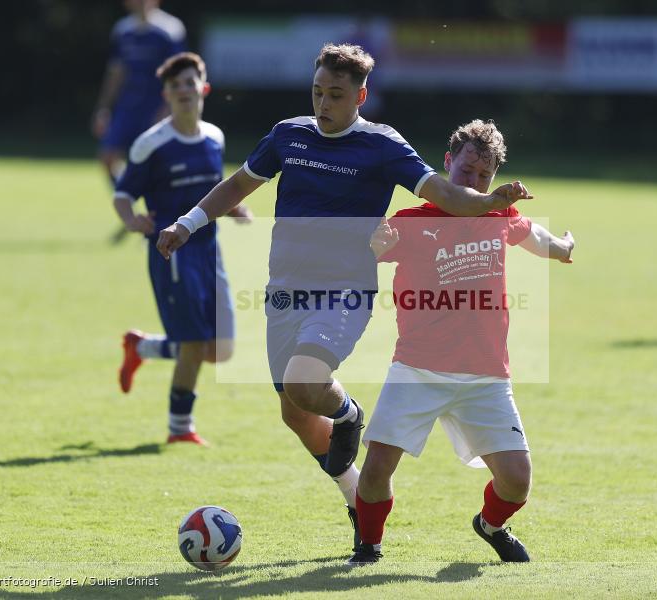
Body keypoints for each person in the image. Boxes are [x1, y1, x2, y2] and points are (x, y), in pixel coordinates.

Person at [156, 44, 532, 552]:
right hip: (285, 291)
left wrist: (489, 202)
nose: (323, 103)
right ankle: (355, 496)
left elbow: (441, 193)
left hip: (344, 291)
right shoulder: (288, 135)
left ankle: (349, 413)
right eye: (317, 92)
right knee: (294, 410)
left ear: (360, 95)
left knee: (306, 383)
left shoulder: (382, 145)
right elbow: (239, 185)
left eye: (335, 95)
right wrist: (188, 222)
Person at [347, 119, 574, 565]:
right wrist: (369, 246)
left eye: (482, 177)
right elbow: (356, 260)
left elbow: (536, 237)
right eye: (465, 172)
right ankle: (369, 545)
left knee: (517, 481)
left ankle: (491, 525)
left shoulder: (500, 215)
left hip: (485, 376)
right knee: (375, 469)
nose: (472, 184)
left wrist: (565, 247)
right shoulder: (409, 221)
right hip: (416, 369)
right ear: (446, 164)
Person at [113, 52, 252, 446]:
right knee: (193, 343)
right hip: (171, 254)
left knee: (221, 349)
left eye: (190, 82)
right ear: (167, 94)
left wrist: (235, 206)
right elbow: (123, 194)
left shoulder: (214, 138)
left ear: (203, 88)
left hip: (211, 252)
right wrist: (131, 219)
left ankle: (143, 346)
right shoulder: (150, 144)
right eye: (176, 85)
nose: (184, 90)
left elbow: (214, 187)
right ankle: (180, 428)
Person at [92, 0, 187, 186]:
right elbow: (117, 72)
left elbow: (177, 73)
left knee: (158, 160)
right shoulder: (122, 30)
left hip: (156, 104)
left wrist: (168, 108)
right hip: (127, 105)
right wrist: (103, 107)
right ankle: (126, 196)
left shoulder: (170, 29)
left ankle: (160, 205)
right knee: (108, 157)